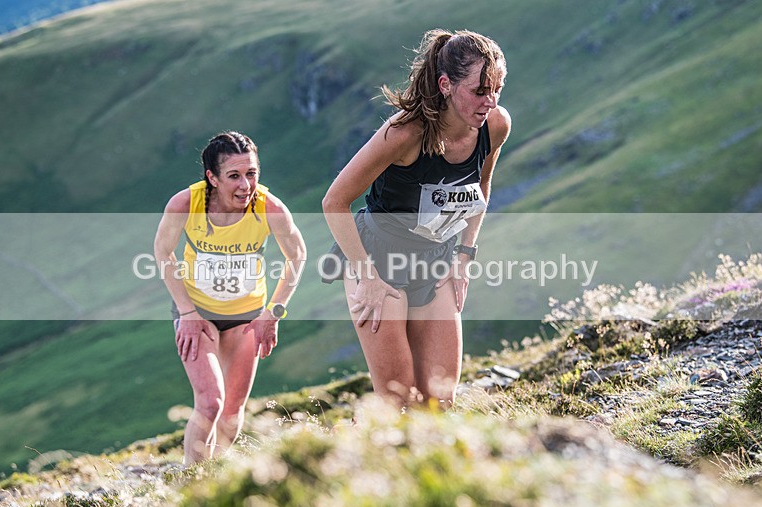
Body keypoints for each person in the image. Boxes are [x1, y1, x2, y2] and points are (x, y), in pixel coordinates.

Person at [322, 29, 511, 408]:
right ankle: (350, 459)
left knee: (440, 399)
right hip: (378, 258)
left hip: (435, 259)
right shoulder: (404, 134)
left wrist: (464, 256)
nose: (490, 101)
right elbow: (335, 201)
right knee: (400, 401)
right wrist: (368, 276)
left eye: (498, 88)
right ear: (446, 84)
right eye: (480, 90)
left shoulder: (495, 125)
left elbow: (481, 187)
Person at [154, 131, 306, 464]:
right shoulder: (186, 204)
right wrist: (187, 313)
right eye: (234, 176)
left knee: (232, 412)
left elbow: (298, 256)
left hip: (248, 314)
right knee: (210, 403)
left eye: (251, 174)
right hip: (198, 312)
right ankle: (191, 480)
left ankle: (213, 477)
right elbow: (163, 252)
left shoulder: (270, 208)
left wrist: (273, 313)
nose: (245, 185)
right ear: (212, 177)